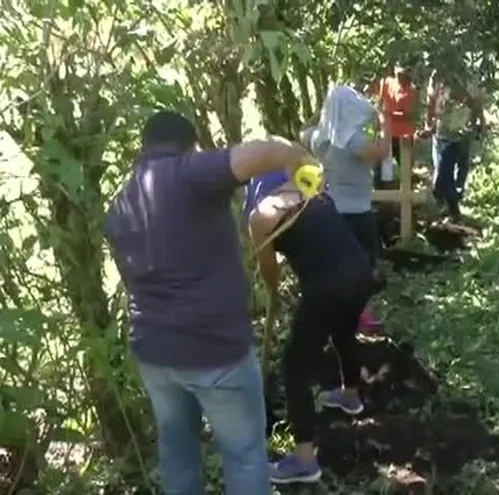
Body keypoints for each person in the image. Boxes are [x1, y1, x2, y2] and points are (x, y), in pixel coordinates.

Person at [105, 110, 313, 495]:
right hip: (215, 351)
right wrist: (299, 155)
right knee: (245, 454)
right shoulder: (189, 172)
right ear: (191, 144)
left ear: (143, 148)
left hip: (155, 355)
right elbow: (261, 152)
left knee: (177, 452)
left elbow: (131, 276)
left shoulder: (124, 203)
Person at [247, 168, 373, 484]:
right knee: (343, 331)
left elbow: (270, 272)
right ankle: (351, 395)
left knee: (295, 366)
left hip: (327, 287)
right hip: (361, 272)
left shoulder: (261, 218)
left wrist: (273, 287)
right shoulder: (313, 196)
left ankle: (305, 460)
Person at [301, 85, 389, 334]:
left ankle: (339, 315)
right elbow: (381, 152)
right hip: (357, 213)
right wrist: (385, 123)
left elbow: (302, 133)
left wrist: (321, 117)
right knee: (364, 267)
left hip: (330, 211)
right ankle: (355, 315)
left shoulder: (320, 138)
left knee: (337, 267)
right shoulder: (352, 140)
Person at [422, 72, 486, 222]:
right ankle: (449, 207)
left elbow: (476, 104)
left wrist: (480, 124)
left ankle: (452, 203)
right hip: (442, 133)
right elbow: (430, 102)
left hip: (460, 133)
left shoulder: (466, 78)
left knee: (457, 169)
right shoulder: (437, 76)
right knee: (443, 171)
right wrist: (428, 125)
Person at [377, 61, 418, 187]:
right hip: (388, 132)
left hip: (404, 134)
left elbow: (409, 114)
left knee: (405, 166)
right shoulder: (387, 82)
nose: (400, 76)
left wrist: (389, 113)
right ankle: (384, 196)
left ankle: (408, 197)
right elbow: (380, 102)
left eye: (403, 74)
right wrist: (379, 116)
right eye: (398, 73)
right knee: (383, 165)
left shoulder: (411, 90)